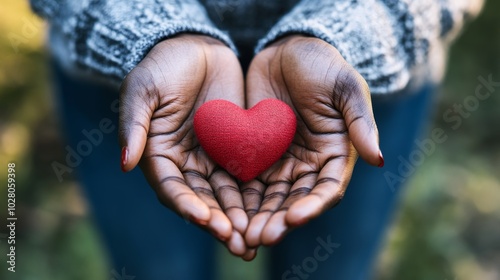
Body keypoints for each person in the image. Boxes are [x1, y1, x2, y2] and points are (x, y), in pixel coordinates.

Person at [31, 0, 483, 279]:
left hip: (363, 80)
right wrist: (148, 30)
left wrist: (350, 33)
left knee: (334, 273)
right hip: (130, 83)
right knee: (156, 272)